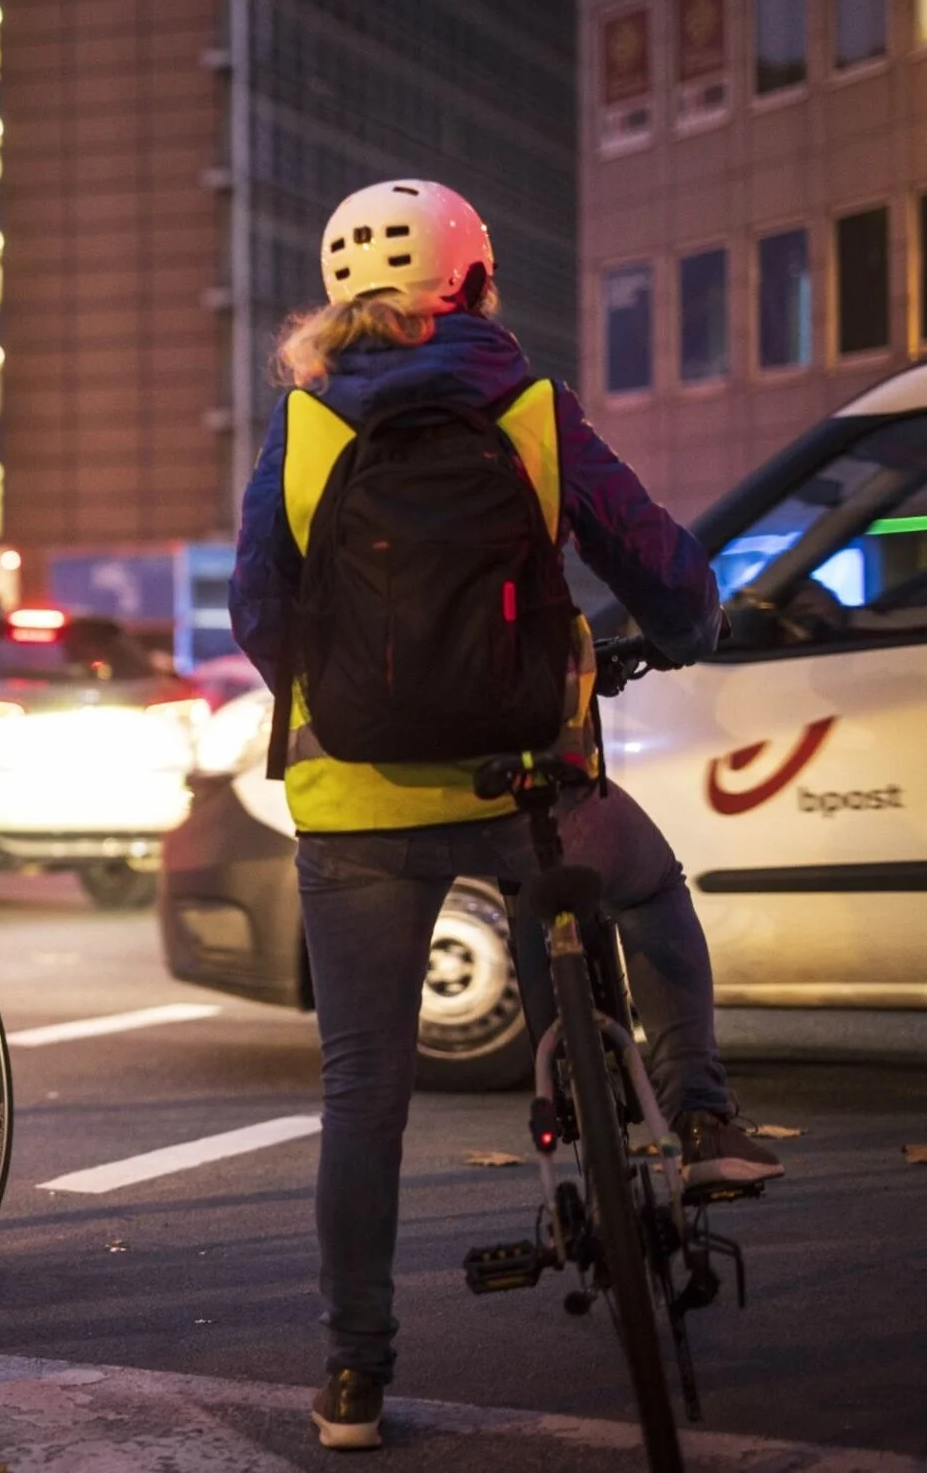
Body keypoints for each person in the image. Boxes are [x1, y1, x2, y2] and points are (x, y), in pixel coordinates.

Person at [228, 179, 785, 1452]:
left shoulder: (303, 421)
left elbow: (260, 609)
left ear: (339, 297)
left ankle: (351, 1376)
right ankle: (699, 1113)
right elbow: (649, 551)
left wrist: (357, 703)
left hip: (353, 801)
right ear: (475, 283)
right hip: (529, 783)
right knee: (645, 889)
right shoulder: (528, 405)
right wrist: (690, 628)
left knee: (363, 1090)